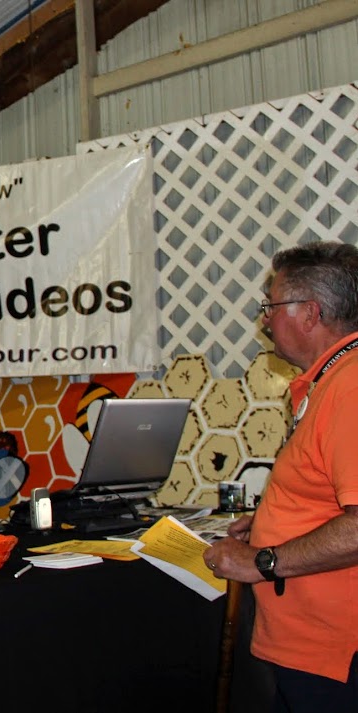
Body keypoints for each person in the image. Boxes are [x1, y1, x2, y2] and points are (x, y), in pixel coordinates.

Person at [205, 242, 358, 712]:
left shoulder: (350, 386)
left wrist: (262, 560)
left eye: (271, 307)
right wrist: (273, 520)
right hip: (313, 650)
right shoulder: (332, 379)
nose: (265, 321)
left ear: (310, 313)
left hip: (333, 655)